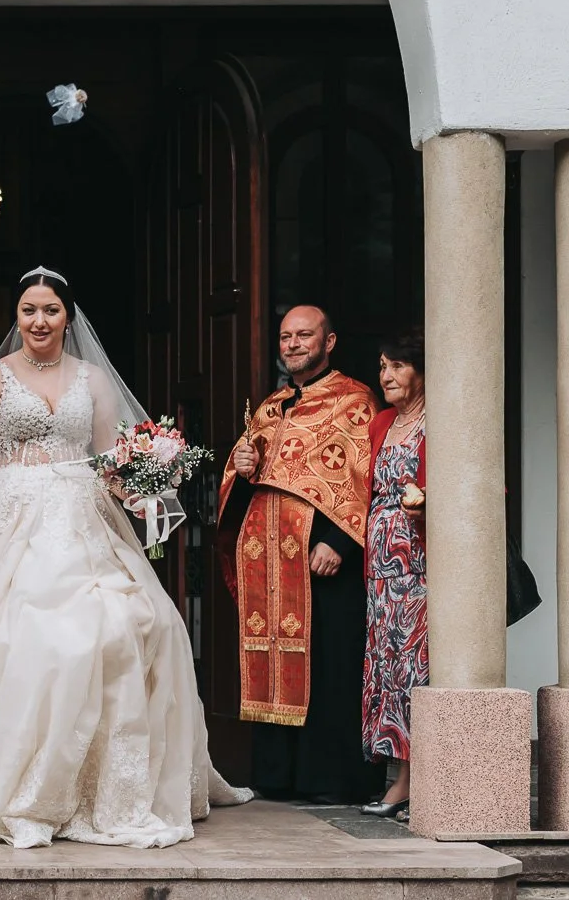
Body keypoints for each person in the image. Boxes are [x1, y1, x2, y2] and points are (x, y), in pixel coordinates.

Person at [0, 266, 252, 849]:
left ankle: (98, 785)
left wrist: (145, 485)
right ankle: (3, 781)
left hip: (83, 517)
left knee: (136, 626)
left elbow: (109, 459)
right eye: (28, 309)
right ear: (17, 316)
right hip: (12, 516)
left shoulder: (93, 379)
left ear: (68, 317)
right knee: (12, 642)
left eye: (50, 310)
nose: (38, 320)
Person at [218, 305, 384, 805]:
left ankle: (329, 777)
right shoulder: (270, 406)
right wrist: (242, 466)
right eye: (286, 336)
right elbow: (253, 479)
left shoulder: (355, 400)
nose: (292, 344)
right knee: (269, 657)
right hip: (268, 554)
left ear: (328, 341)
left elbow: (363, 474)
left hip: (321, 552)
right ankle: (279, 773)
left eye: (304, 335)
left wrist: (339, 539)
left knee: (329, 659)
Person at [361, 330, 428, 820]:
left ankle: (417, 781)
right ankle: (400, 777)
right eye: (383, 365)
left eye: (398, 365)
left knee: (418, 668)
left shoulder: (440, 423)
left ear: (422, 371)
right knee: (389, 667)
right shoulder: (383, 422)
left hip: (422, 563)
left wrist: (426, 505)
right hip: (383, 568)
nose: (386, 374)